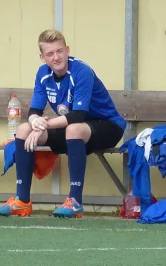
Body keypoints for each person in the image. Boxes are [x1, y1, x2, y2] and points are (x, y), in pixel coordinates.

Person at [0, 29, 126, 218]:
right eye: (50, 54)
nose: (56, 57)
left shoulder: (82, 71)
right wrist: (35, 123)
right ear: (42, 57)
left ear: (67, 50)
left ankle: (75, 202)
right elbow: (34, 112)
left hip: (107, 126)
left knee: (74, 129)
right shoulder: (43, 74)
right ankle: (22, 201)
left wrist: (44, 125)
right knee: (23, 129)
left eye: (60, 51)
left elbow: (78, 115)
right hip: (72, 129)